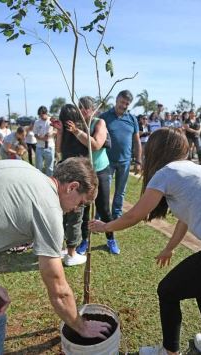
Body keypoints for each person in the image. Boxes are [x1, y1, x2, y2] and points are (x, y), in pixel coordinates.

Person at [90, 127, 201, 355]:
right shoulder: (195, 170)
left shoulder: (166, 172)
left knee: (167, 291)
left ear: (156, 151)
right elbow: (184, 220)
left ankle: (169, 351)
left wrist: (105, 226)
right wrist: (169, 248)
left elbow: (134, 215)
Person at [0, 157, 111, 354]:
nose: (77, 209)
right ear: (72, 187)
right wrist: (81, 326)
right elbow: (57, 287)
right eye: (81, 203)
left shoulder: (26, 170)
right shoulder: (48, 208)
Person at [65, 96, 120, 255]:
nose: (82, 111)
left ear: (92, 109)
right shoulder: (77, 123)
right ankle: (84, 240)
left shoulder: (99, 122)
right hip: (84, 172)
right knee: (84, 209)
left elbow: (95, 145)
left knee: (103, 208)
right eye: (79, 108)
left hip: (101, 170)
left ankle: (110, 239)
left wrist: (76, 131)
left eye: (85, 108)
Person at [54, 104, 90, 266]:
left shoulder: (69, 131)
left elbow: (58, 150)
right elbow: (92, 146)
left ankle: (59, 249)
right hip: (77, 174)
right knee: (75, 216)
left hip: (62, 173)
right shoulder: (81, 130)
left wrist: (61, 132)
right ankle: (71, 254)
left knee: (60, 214)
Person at [100, 90, 142, 220]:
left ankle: (117, 214)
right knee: (104, 190)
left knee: (120, 191)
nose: (124, 106)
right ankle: (101, 214)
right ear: (117, 100)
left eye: (127, 104)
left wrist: (139, 161)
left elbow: (137, 140)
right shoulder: (104, 117)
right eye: (122, 102)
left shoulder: (132, 119)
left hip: (125, 161)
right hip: (107, 161)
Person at [33, 106, 56, 176]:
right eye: (39, 115)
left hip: (50, 147)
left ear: (46, 113)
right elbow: (35, 134)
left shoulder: (52, 120)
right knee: (38, 166)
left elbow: (57, 130)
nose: (40, 116)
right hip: (39, 147)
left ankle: (49, 182)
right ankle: (39, 181)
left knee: (49, 167)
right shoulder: (37, 122)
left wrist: (52, 133)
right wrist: (41, 138)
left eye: (41, 114)